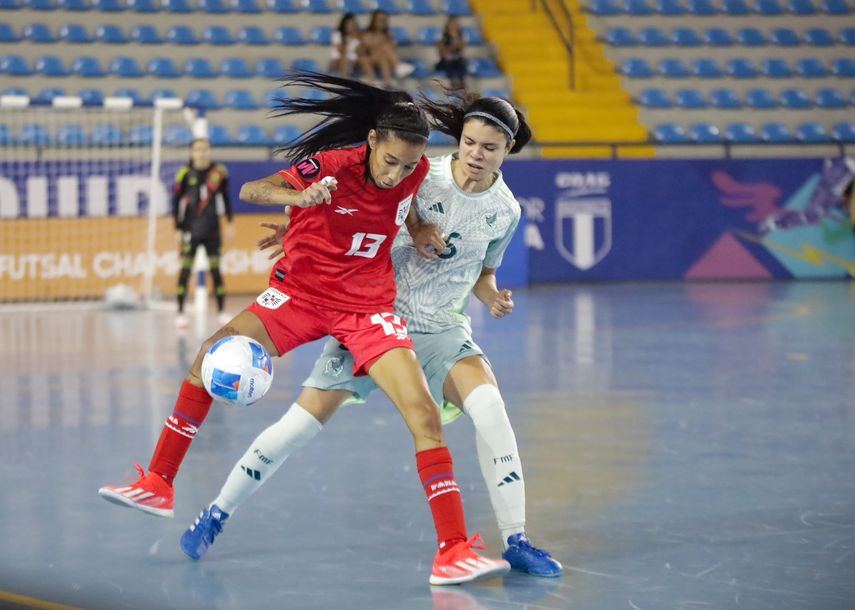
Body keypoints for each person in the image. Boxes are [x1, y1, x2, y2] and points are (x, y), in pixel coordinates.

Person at [98, 72, 509, 586]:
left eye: (407, 165)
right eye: (389, 160)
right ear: (372, 141)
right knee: (207, 355)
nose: (396, 172)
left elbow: (404, 203)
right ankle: (159, 481)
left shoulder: (413, 169)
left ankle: (451, 551)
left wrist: (421, 226)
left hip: (366, 307)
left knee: (425, 414)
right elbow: (253, 188)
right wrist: (300, 199)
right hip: (301, 296)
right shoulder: (333, 166)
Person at [179, 92, 563, 578]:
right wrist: (299, 228)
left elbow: (485, 272)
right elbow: (349, 201)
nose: (475, 154)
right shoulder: (421, 169)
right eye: (468, 142)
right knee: (297, 428)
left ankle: (516, 540)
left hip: (442, 326)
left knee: (492, 411)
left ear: (506, 150)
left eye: (489, 147)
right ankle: (216, 513)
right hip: (375, 317)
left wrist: (491, 295)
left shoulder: (506, 211)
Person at [171, 138, 234, 329]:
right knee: (185, 270)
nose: (202, 153)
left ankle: (221, 312)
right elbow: (176, 203)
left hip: (213, 231)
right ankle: (180, 313)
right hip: (191, 230)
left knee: (215, 271)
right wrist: (178, 228)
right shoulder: (184, 173)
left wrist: (230, 223)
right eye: (198, 149)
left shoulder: (219, 173)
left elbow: (226, 198)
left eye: (205, 149)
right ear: (192, 152)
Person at [361, 9, 415, 85]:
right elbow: (367, 50)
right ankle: (398, 65)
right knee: (385, 47)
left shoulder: (388, 34)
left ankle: (387, 82)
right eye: (380, 20)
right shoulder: (368, 34)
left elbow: (392, 48)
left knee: (385, 55)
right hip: (370, 59)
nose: (382, 23)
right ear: (374, 21)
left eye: (384, 20)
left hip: (384, 59)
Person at [329, 12, 372, 78]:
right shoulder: (338, 34)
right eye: (350, 24)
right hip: (337, 60)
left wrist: (360, 40)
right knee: (345, 58)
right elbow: (341, 50)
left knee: (364, 59)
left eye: (354, 24)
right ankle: (344, 80)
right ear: (344, 25)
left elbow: (362, 51)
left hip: (354, 61)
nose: (353, 26)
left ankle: (371, 80)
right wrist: (351, 39)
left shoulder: (359, 36)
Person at [435, 16, 467, 90]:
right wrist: (452, 47)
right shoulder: (443, 35)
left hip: (457, 59)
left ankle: (461, 82)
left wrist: (455, 41)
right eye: (452, 23)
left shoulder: (461, 35)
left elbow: (462, 47)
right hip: (445, 60)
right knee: (449, 61)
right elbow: (441, 50)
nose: (454, 25)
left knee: (462, 62)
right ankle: (452, 81)